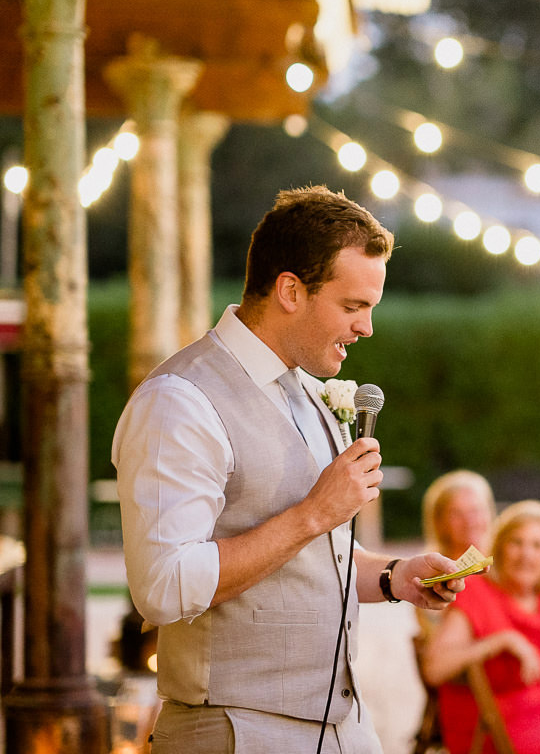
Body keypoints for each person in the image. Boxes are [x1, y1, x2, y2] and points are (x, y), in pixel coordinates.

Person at [114, 186, 465, 753]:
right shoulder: (180, 401)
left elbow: (310, 560)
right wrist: (313, 514)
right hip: (235, 729)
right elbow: (163, 586)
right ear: (290, 291)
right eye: (353, 306)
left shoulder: (304, 389)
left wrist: (395, 576)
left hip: (344, 726)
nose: (367, 328)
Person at [422, 500, 540, 754]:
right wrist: (501, 641)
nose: (526, 555)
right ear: (500, 548)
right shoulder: (476, 593)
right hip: (488, 728)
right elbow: (434, 668)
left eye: (537, 545)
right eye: (516, 542)